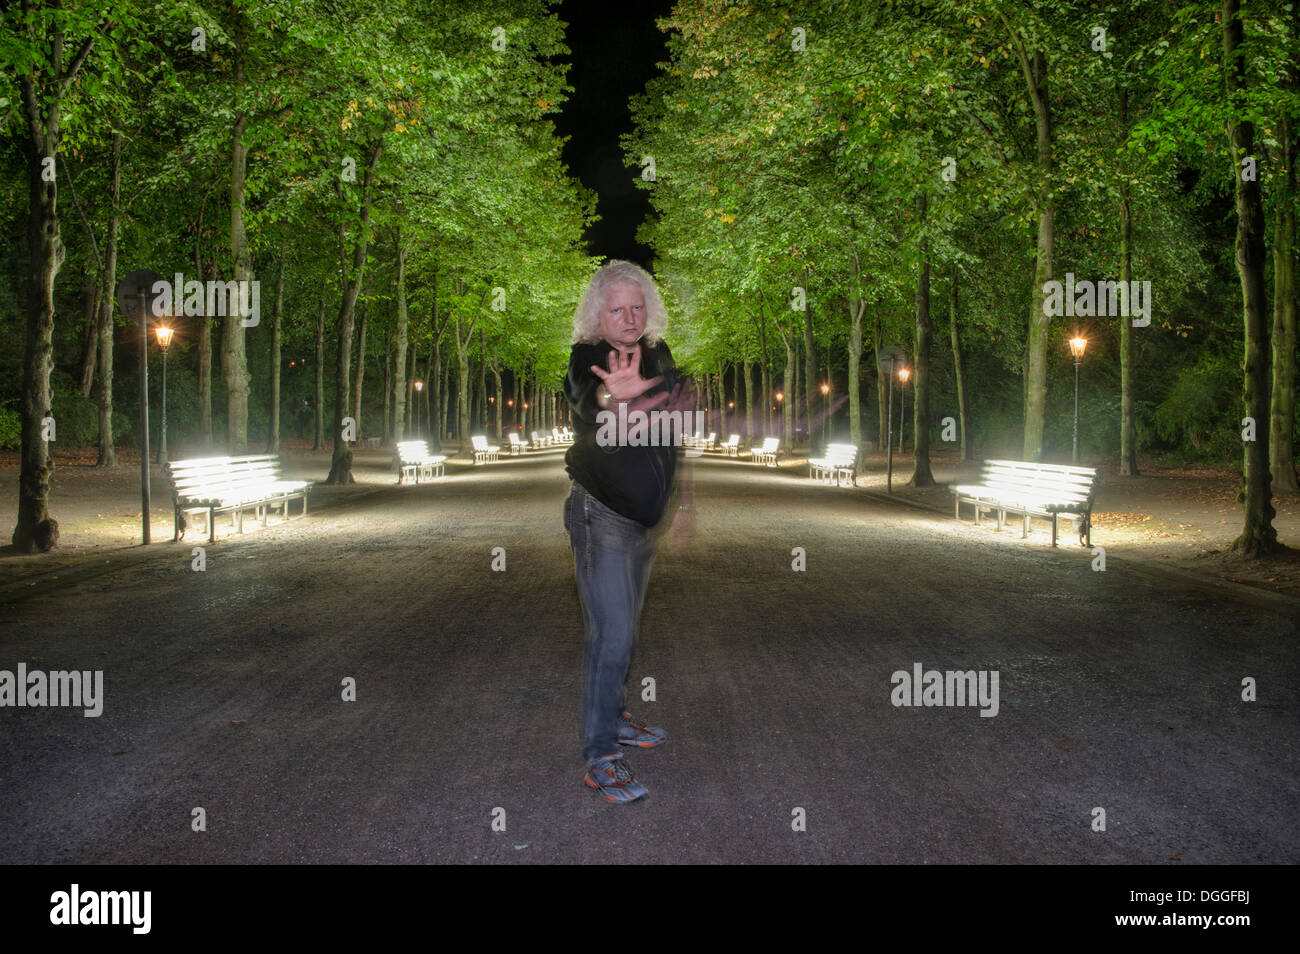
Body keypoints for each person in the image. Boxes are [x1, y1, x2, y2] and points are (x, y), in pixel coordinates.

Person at [562, 260, 694, 804]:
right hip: (602, 518)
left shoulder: (660, 356)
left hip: (644, 523)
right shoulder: (586, 359)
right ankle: (600, 756)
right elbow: (587, 405)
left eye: (638, 306)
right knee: (610, 636)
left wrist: (681, 502)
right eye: (617, 308)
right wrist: (616, 396)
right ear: (598, 312)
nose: (629, 317)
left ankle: (615, 720)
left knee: (625, 633)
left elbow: (676, 429)